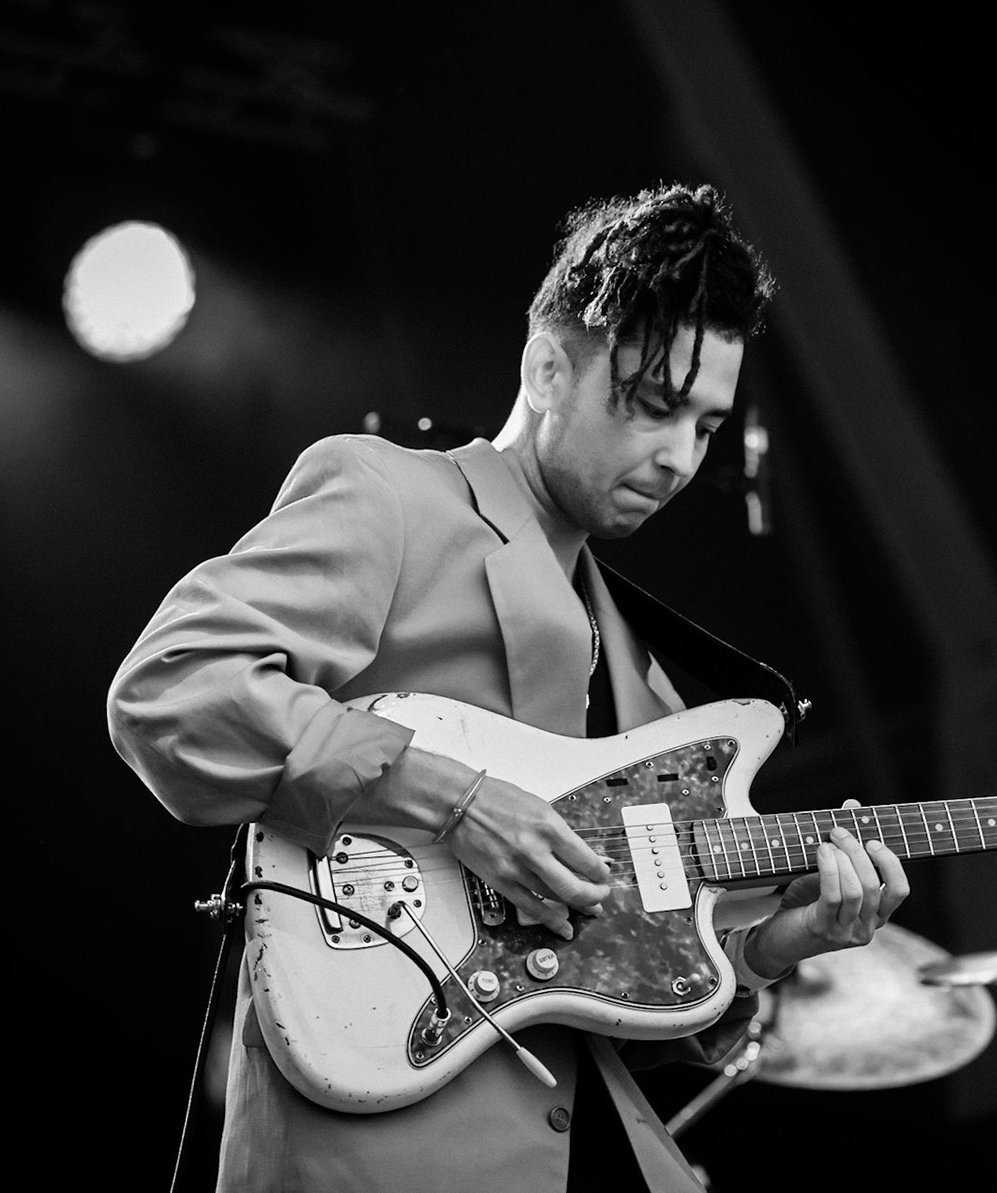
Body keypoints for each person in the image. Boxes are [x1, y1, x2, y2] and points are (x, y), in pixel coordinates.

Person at [108, 182, 910, 1193]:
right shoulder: (392, 492)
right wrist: (458, 801)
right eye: (654, 404)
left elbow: (611, 989)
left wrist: (780, 943)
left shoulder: (642, 677)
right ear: (548, 366)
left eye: (705, 427)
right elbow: (173, 690)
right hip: (384, 1138)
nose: (677, 456)